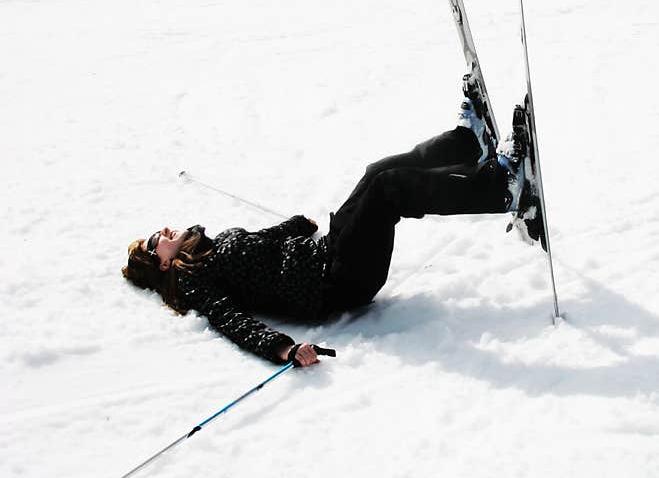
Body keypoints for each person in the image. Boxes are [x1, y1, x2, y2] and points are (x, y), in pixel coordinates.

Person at [122, 87, 528, 367]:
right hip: (336, 282)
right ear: (160, 265)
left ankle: (466, 144)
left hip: (330, 252)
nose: (164, 232)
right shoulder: (195, 281)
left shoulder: (208, 247)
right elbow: (234, 323)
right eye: (156, 241)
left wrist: (296, 225)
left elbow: (264, 244)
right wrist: (284, 349)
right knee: (388, 190)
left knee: (375, 173)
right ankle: (500, 190)